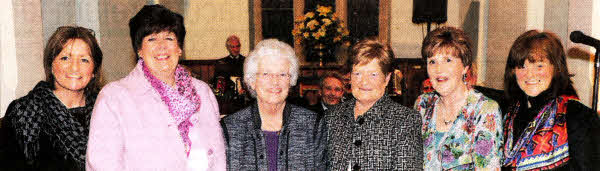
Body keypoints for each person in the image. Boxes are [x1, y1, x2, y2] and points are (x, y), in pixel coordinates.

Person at [85, 5, 225, 170]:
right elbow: (103, 165)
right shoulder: (114, 97)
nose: (162, 46)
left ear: (179, 48)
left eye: (169, 38)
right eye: (151, 39)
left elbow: (219, 158)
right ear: (139, 50)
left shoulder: (202, 92)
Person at [2, 26, 103, 170]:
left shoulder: (107, 108)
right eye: (65, 58)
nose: (74, 67)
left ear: (94, 70)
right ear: (51, 66)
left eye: (84, 60)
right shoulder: (23, 112)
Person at [221, 39, 326, 170]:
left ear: (291, 81)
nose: (275, 82)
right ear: (252, 81)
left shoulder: (312, 125)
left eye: (282, 74)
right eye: (266, 74)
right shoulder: (230, 128)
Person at [502, 30, 600, 170]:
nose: (529, 75)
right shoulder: (508, 114)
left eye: (539, 66)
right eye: (522, 66)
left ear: (556, 68)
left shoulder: (578, 116)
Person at [325, 39, 423, 170]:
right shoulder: (331, 117)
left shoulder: (405, 120)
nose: (364, 82)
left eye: (373, 74)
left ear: (387, 79)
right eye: (358, 73)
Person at [415, 26, 503, 170]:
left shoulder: (484, 110)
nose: (439, 70)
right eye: (432, 62)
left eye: (448, 60)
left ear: (465, 67)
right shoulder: (422, 104)